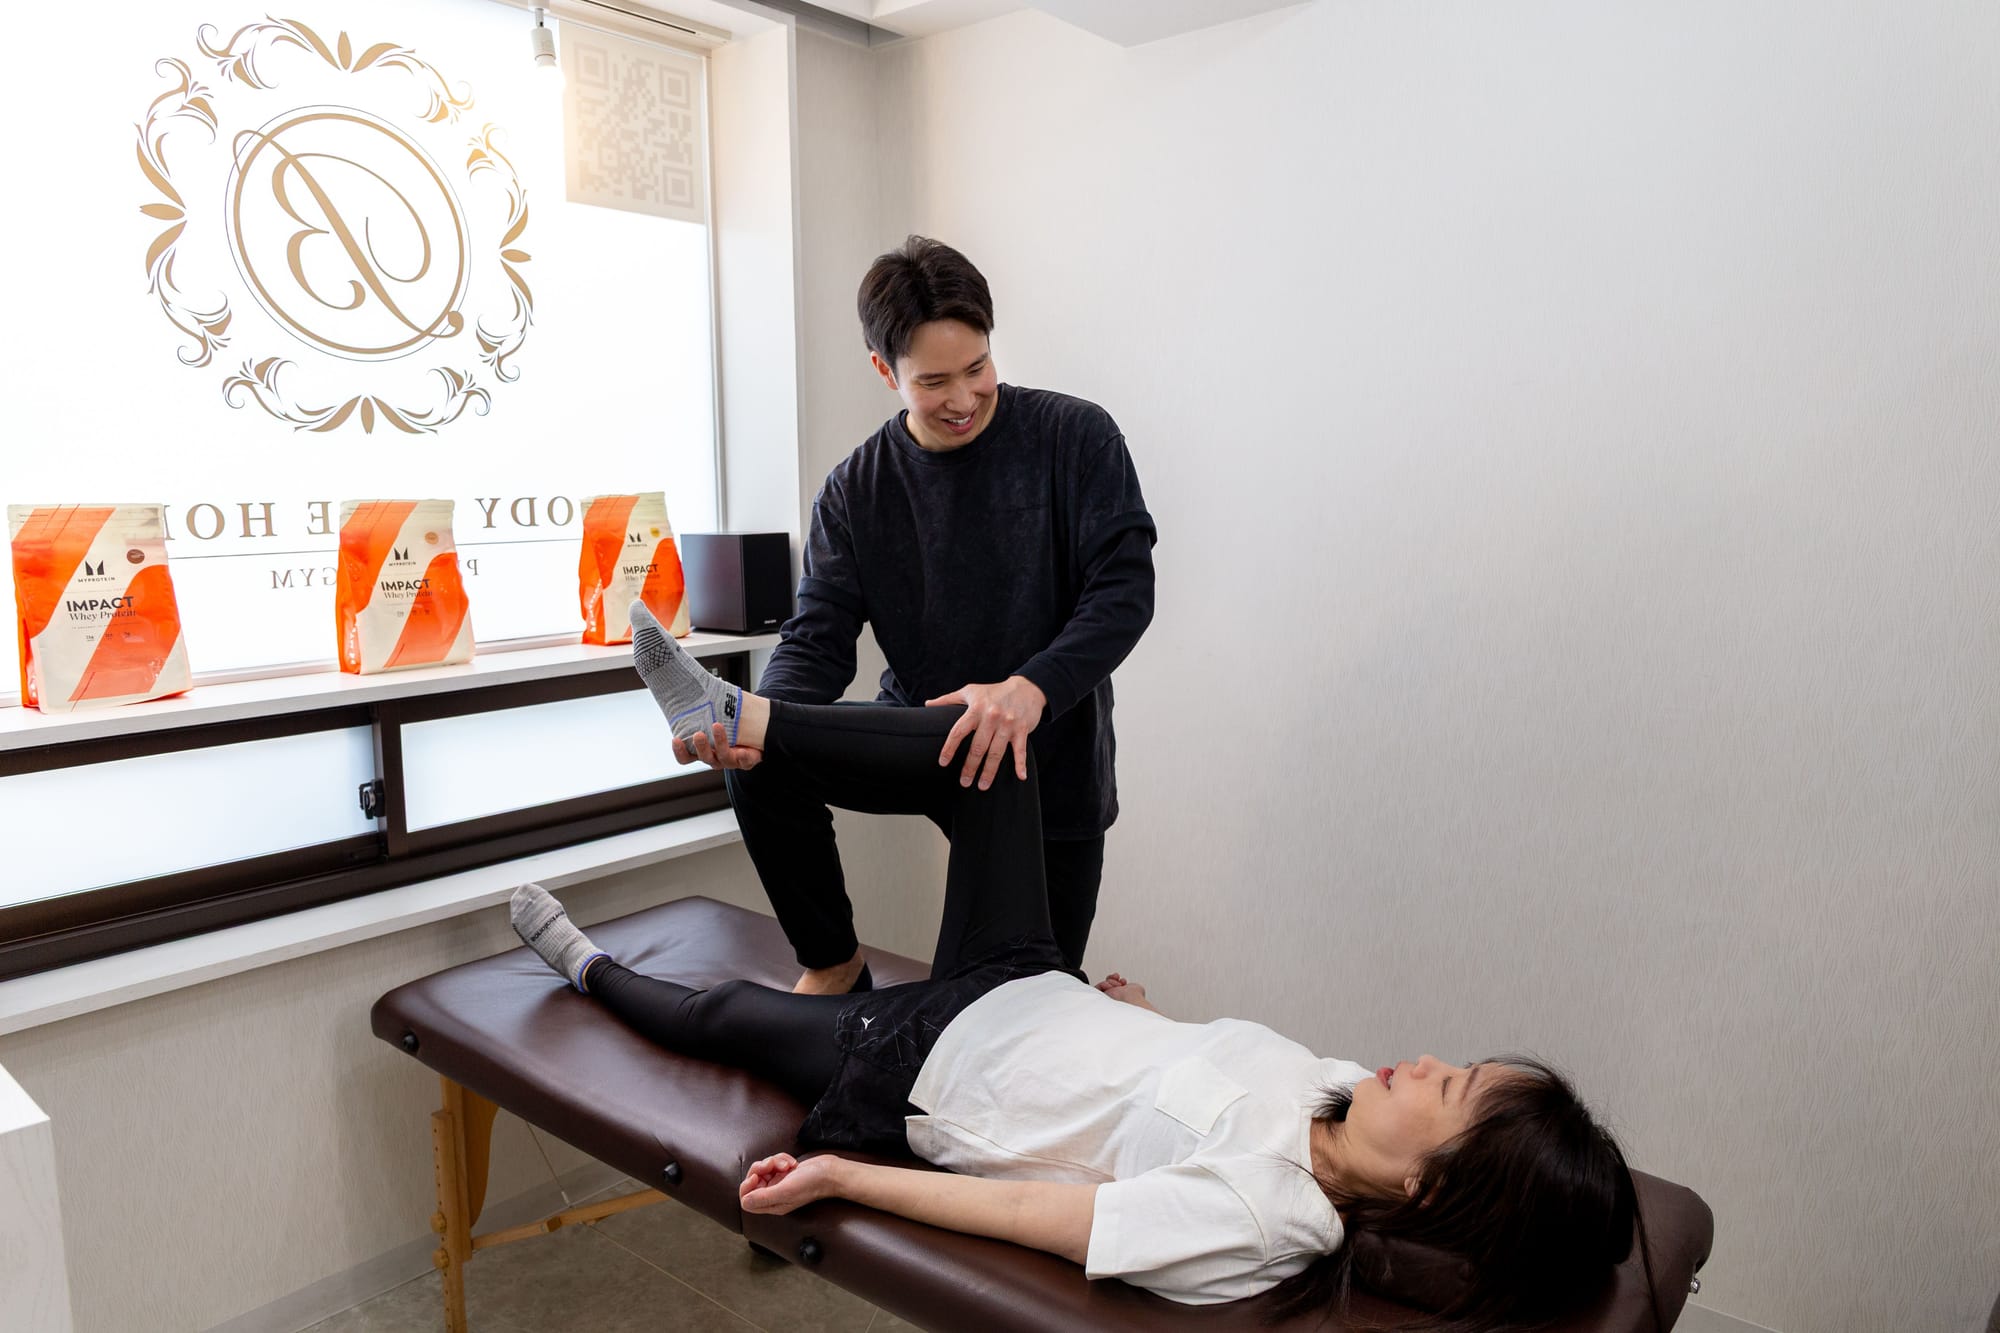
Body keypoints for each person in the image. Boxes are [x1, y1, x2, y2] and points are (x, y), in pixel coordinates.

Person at [506, 619, 1648, 1326]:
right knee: (993, 748)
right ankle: (743, 716)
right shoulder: (1346, 1089)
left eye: (1452, 1088)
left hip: (921, 1065)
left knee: (722, 1012)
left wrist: (841, 1177)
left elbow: (1031, 1211)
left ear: (1430, 1189)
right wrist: (1144, 1021)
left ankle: (587, 966)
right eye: (1458, 1063)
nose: (1430, 1060)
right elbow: (1201, 1078)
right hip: (1027, 977)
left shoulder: (1265, 1214)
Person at [671, 236, 1156, 995]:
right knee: (757, 747)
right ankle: (832, 962)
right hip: (922, 740)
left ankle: (1089, 1009)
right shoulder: (855, 490)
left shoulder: (1076, 438)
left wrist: (1029, 688)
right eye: (933, 381)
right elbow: (818, 638)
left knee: (1028, 999)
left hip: (1042, 763)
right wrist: (760, 718)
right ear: (884, 370)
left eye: (977, 368)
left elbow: (1123, 591)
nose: (963, 398)